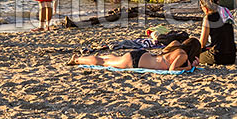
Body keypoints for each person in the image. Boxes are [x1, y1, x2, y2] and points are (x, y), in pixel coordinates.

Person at [70, 38, 202, 71]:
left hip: (143, 55)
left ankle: (81, 58)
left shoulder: (175, 44)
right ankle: (77, 59)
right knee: (103, 62)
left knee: (109, 59)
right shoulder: (183, 55)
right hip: (136, 61)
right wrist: (189, 67)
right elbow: (172, 69)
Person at [196, 0, 237, 66]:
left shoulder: (208, 18)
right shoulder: (226, 14)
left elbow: (202, 43)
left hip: (217, 56)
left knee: (197, 55)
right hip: (231, 56)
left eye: (201, 7)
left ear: (205, 8)